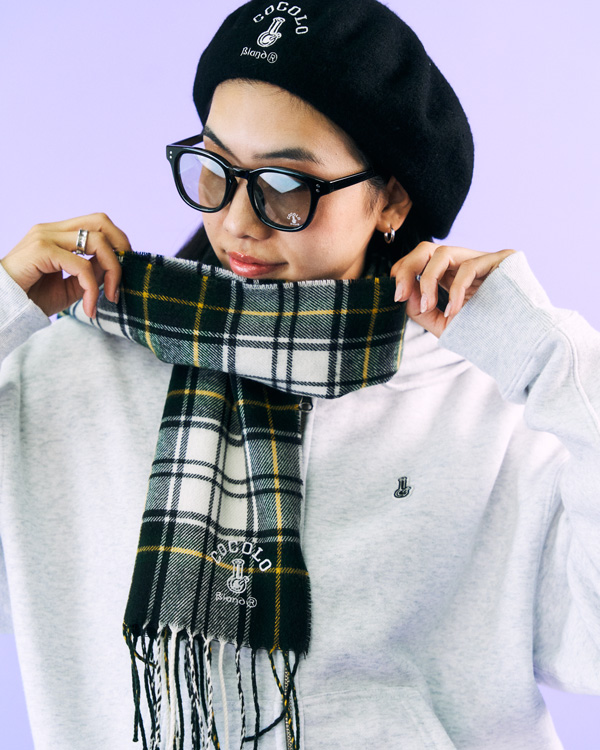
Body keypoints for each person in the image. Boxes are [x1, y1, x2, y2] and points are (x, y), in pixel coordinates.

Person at [1, 1, 599, 748]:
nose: (238, 221)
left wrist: (553, 358)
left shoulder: (486, 402)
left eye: (285, 183)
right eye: (215, 169)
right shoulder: (71, 374)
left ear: (391, 199)